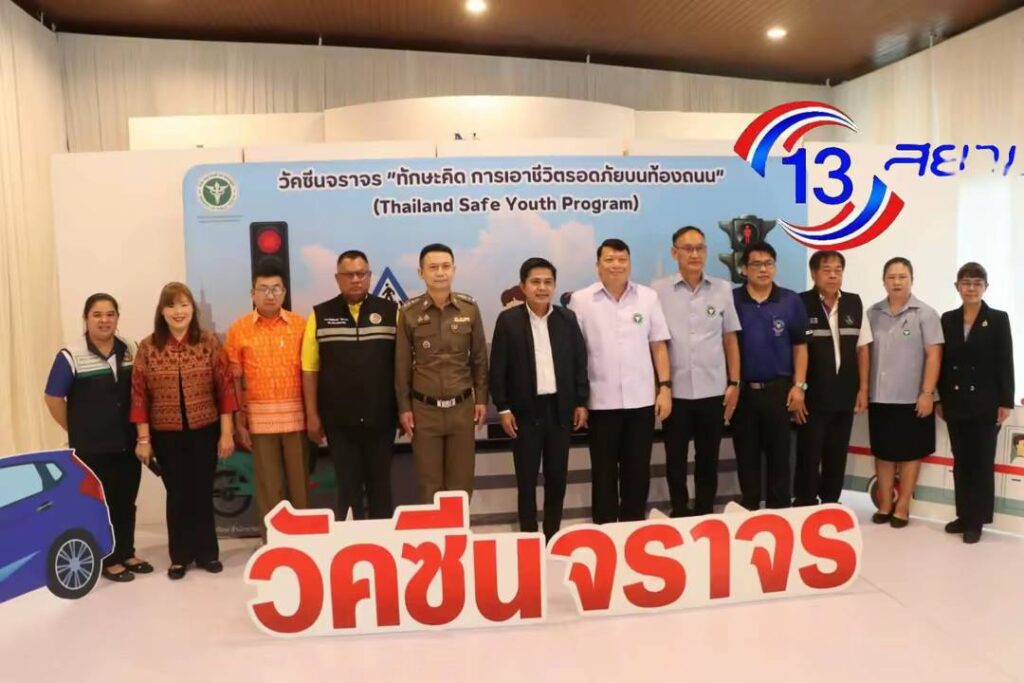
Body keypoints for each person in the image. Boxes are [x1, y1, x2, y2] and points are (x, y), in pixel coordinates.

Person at [131, 282, 237, 579]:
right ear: (162, 312)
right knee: (177, 494)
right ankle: (180, 556)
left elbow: (226, 389)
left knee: (202, 491)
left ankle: (207, 553)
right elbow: (139, 396)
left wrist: (226, 432)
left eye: (184, 304)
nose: (178, 311)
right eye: (171, 305)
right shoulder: (148, 347)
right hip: (166, 434)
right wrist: (143, 439)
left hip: (205, 429)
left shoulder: (208, 342)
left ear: (193, 308)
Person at [43, 293, 152, 582]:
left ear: (117, 318)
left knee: (126, 500)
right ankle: (108, 559)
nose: (104, 320)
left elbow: (140, 393)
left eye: (110, 314)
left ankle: (127, 552)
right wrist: (76, 429)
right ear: (86, 318)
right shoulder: (71, 355)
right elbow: (53, 398)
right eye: (97, 314)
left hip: (126, 442)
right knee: (100, 504)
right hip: (92, 448)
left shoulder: (130, 349)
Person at [569, 238, 672, 523]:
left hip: (641, 402)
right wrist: (579, 400)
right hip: (600, 403)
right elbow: (575, 354)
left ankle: (632, 531)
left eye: (622, 259)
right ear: (598, 265)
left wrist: (665, 388)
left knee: (637, 473)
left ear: (630, 263)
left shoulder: (648, 297)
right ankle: (604, 533)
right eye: (610, 259)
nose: (617, 265)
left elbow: (659, 346)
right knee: (603, 475)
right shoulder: (581, 300)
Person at [490, 257, 589, 540]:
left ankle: (553, 535)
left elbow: (579, 362)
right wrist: (503, 408)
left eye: (548, 282)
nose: (542, 288)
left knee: (557, 478)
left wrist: (581, 401)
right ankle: (529, 537)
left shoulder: (567, 319)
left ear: (554, 286)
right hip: (524, 413)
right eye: (535, 282)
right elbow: (498, 368)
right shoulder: (508, 321)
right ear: (523, 286)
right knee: (526, 480)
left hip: (560, 410)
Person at [303, 250, 398, 520]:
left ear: (369, 276)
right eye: (348, 275)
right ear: (337, 278)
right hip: (338, 420)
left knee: (381, 487)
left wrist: (404, 409)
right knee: (347, 488)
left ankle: (382, 541)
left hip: (382, 417)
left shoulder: (392, 313)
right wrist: (312, 415)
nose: (355, 279)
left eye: (361, 274)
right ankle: (352, 540)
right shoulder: (320, 315)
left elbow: (403, 367)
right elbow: (309, 369)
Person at [653, 226, 741, 517]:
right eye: (687, 248)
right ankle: (679, 509)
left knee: (708, 457)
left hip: (713, 389)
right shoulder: (658, 291)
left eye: (700, 248)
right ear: (674, 252)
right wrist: (661, 386)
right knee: (675, 458)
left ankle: (705, 509)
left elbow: (730, 338)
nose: (695, 254)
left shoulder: (722, 289)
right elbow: (656, 343)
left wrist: (734, 382)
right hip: (675, 392)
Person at [396, 244, 488, 504]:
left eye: (446, 266)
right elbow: (402, 366)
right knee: (429, 485)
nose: (440, 273)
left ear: (454, 270)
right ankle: (434, 532)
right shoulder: (408, 312)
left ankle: (458, 529)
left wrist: (481, 399)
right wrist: (404, 408)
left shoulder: (469, 309)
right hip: (424, 411)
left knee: (461, 484)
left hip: (462, 409)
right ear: (421, 273)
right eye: (433, 267)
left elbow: (479, 358)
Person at [225, 264, 308, 537]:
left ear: (284, 292)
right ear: (253, 293)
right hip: (259, 423)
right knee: (269, 488)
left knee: (300, 487)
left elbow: (312, 373)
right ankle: (273, 543)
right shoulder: (238, 329)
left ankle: (304, 543)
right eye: (263, 289)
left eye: (275, 289)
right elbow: (233, 381)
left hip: (297, 420)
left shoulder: (301, 326)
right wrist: (239, 422)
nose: (270, 295)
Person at [937, 262, 1014, 543]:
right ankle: (963, 515)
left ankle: (976, 521)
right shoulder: (947, 319)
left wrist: (1006, 401)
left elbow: (1005, 361)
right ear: (957, 286)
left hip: (985, 402)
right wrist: (939, 398)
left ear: (986, 287)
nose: (971, 288)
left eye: (977, 283)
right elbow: (942, 364)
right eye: (966, 283)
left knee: (981, 462)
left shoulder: (998, 319)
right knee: (961, 462)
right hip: (955, 401)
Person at [731, 241, 809, 510]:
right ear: (744, 269)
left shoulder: (790, 300)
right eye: (756, 264)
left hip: (779, 391)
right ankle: (749, 510)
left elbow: (800, 346)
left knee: (780, 457)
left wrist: (799, 386)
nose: (763, 269)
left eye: (768, 263)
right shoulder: (733, 300)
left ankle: (779, 513)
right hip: (744, 394)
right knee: (746, 457)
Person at [866, 257, 943, 528]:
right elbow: (864, 354)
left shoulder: (926, 313)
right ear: (883, 281)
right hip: (880, 397)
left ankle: (902, 507)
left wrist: (927, 393)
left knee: (911, 453)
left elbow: (934, 355)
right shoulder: (872, 313)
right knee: (883, 453)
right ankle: (885, 504)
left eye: (902, 277)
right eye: (891, 277)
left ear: (911, 280)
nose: (897, 282)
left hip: (913, 398)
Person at [793, 250, 872, 506]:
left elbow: (862, 349)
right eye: (827, 270)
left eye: (838, 270)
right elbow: (796, 350)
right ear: (814, 274)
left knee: (837, 452)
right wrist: (798, 387)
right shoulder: (800, 303)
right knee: (809, 452)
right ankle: (805, 501)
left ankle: (830, 502)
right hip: (812, 394)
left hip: (845, 393)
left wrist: (863, 388)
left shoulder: (854, 303)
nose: (833, 275)